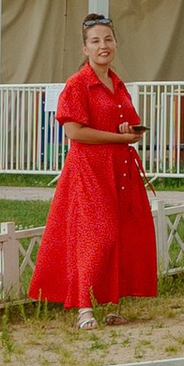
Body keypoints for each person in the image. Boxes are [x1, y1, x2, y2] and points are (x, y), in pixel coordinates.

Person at [29, 16, 158, 328]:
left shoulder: (118, 84)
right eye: (96, 41)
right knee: (98, 235)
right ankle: (83, 307)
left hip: (119, 169)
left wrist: (126, 131)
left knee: (123, 234)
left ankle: (112, 301)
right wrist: (119, 138)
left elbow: (128, 124)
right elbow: (74, 132)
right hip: (89, 170)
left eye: (108, 39)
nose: (104, 46)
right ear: (85, 48)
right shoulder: (77, 84)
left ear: (116, 44)